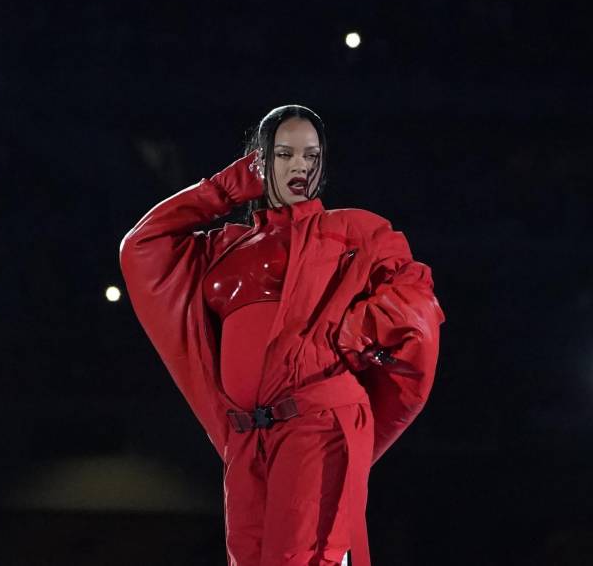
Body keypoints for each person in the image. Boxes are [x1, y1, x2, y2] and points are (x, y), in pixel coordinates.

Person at [119, 104, 445, 566]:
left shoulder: (355, 231)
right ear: (258, 161)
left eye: (311, 157)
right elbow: (142, 246)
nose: (300, 167)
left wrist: (350, 331)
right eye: (284, 154)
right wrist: (225, 188)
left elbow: (417, 302)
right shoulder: (222, 245)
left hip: (317, 422)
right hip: (247, 436)